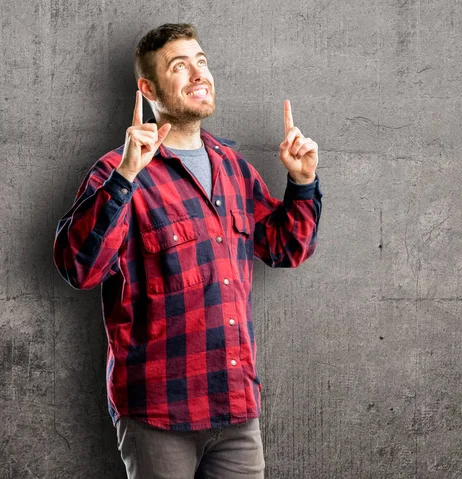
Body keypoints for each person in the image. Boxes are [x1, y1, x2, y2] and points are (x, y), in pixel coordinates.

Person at [53, 23, 322, 479]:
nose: (199, 74)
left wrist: (302, 182)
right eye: (180, 66)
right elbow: (80, 268)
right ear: (149, 89)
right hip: (160, 413)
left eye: (202, 62)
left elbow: (285, 248)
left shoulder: (233, 168)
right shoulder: (118, 171)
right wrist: (123, 180)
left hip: (237, 409)